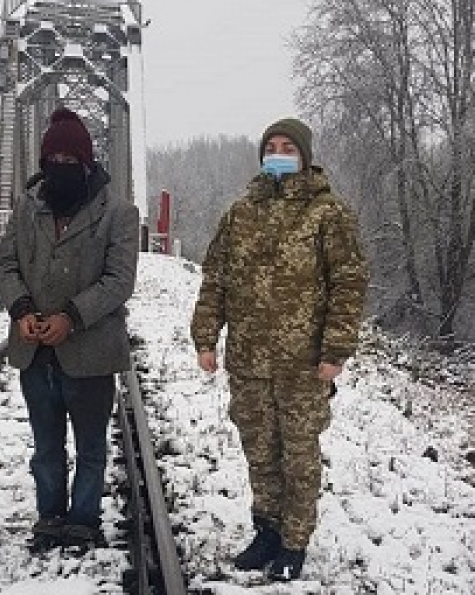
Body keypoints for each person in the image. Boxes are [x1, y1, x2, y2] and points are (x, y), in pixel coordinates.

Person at [190, 118, 368, 581]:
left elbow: (348, 285)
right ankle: (266, 530)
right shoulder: (241, 213)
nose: (279, 152)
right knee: (260, 451)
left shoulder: (328, 214)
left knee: (299, 454)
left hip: (303, 364)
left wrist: (335, 350)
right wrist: (205, 338)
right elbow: (216, 280)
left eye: (289, 146)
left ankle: (294, 541)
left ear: (305, 155)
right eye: (272, 145)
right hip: (249, 361)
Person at [0, 107, 139, 552]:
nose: (60, 168)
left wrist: (71, 317)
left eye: (68, 160)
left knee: (91, 446)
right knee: (46, 447)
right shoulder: (27, 206)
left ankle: (84, 520)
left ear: (87, 161)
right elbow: (7, 264)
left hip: (90, 351)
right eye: (51, 160)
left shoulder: (119, 212)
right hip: (34, 350)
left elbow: (119, 280)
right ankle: (50, 516)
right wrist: (21, 310)